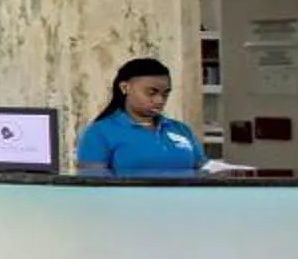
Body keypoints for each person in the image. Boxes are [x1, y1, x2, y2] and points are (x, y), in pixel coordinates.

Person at [75, 56, 207, 176]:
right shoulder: (100, 133)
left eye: (165, 94)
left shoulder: (181, 130)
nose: (159, 100)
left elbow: (203, 171)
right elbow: (93, 185)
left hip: (185, 202)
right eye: (151, 93)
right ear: (125, 87)